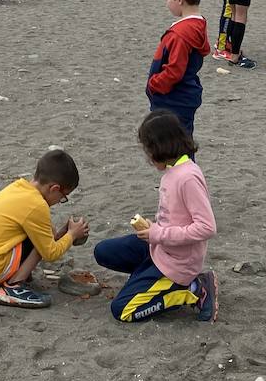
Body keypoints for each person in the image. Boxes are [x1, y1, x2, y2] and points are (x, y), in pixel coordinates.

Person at [92, 111, 217, 323]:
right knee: (103, 251)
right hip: (159, 248)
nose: (148, 158)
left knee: (122, 310)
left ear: (159, 148)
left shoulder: (187, 177)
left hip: (178, 263)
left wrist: (159, 233)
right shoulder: (173, 171)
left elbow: (207, 227)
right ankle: (147, 280)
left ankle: (194, 290)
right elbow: (175, 218)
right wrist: (154, 229)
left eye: (148, 150)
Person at [0, 149, 90, 309]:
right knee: (40, 242)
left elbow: (48, 238)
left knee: (43, 234)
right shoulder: (37, 206)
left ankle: (14, 277)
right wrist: (72, 235)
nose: (60, 201)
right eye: (63, 197)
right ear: (54, 189)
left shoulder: (19, 188)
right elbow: (50, 253)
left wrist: (65, 232)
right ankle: (13, 287)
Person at [146, 0, 212, 135]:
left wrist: (153, 85)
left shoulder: (180, 34)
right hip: (185, 96)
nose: (166, 2)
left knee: (172, 145)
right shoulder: (198, 24)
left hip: (172, 99)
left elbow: (174, 70)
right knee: (184, 140)